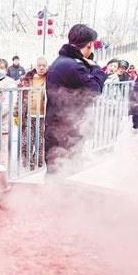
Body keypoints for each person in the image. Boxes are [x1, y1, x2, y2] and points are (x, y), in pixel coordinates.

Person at [45, 24, 107, 176]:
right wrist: (97, 69)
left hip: (58, 127)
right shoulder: (73, 66)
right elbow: (94, 90)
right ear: (90, 44)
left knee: (56, 169)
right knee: (64, 172)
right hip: (66, 131)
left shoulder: (62, 61)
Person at [14, 57, 48, 170]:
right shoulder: (27, 79)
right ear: (35, 66)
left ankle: (38, 162)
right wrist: (16, 113)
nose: (41, 68)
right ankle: (27, 164)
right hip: (28, 116)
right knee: (26, 141)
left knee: (41, 142)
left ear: (47, 67)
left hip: (43, 117)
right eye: (39, 65)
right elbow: (20, 97)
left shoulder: (49, 79)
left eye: (44, 66)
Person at [0, 58, 16, 166]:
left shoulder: (10, 84)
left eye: (2, 68)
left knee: (1, 157)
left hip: (2, 126)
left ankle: (2, 174)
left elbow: (7, 105)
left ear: (6, 70)